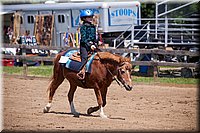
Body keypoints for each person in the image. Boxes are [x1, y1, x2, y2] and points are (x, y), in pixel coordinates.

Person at [77, 9, 98, 80]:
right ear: (84, 18)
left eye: (91, 17)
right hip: (84, 46)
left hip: (93, 45)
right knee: (85, 58)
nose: (90, 18)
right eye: (88, 17)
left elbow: (94, 37)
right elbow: (83, 39)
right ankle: (80, 71)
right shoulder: (83, 27)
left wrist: (96, 43)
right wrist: (90, 45)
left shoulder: (93, 26)